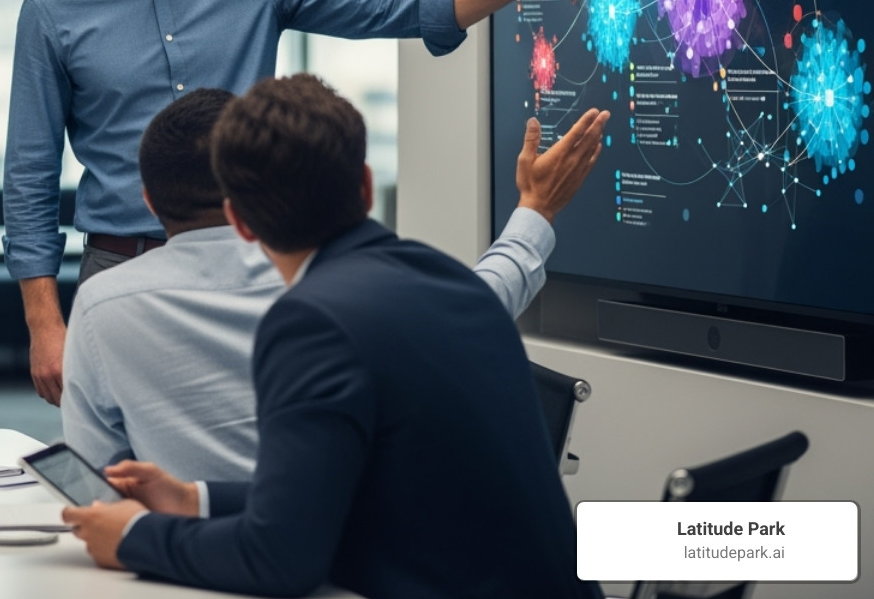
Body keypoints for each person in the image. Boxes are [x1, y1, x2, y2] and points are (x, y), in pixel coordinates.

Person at [4, 0, 614, 404]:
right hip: (122, 271)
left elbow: (384, 2)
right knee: (122, 472)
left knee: (272, 443)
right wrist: (44, 323)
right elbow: (29, 177)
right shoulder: (53, 13)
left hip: (251, 261)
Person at [62, 74, 607, 599]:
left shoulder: (310, 322)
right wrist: (194, 498)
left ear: (242, 222)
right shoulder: (443, 278)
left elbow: (281, 559)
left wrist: (134, 538)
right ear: (366, 187)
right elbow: (323, 494)